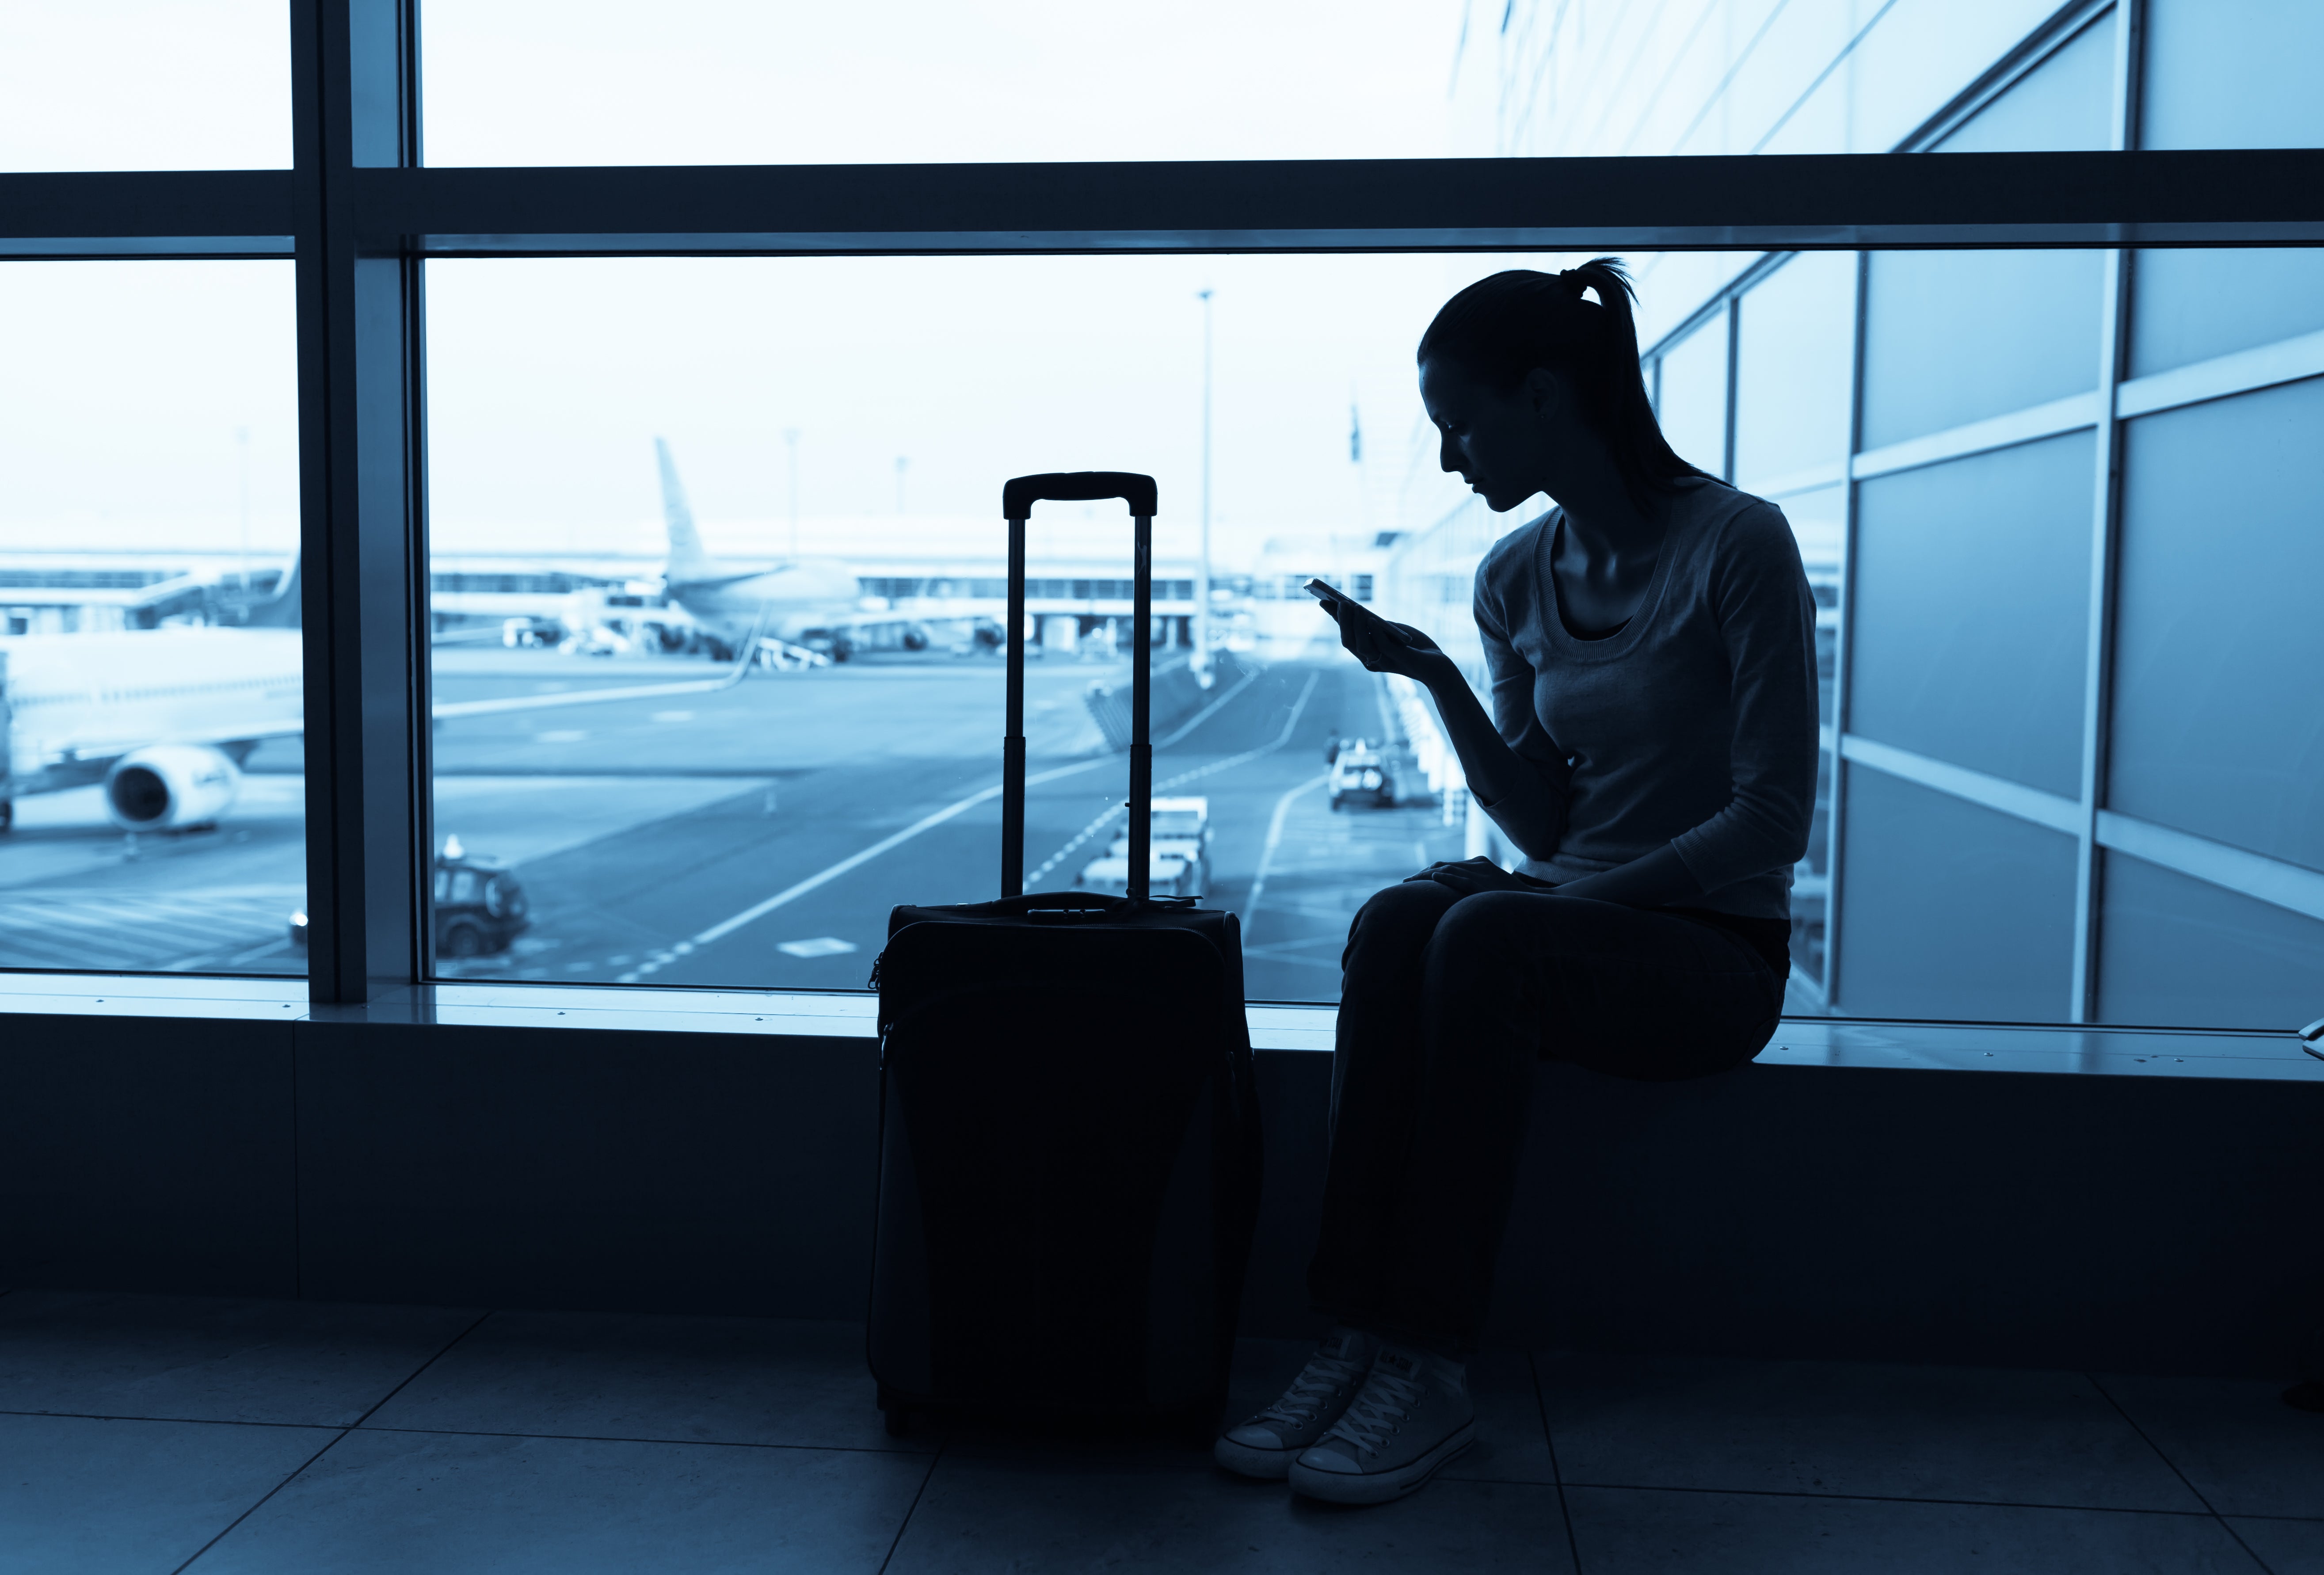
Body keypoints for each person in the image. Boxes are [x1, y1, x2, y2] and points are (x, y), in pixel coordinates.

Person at [1214, 259, 1817, 1505]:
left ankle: (1428, 1365)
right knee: (1397, 920)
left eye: (1460, 425)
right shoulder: (1511, 575)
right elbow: (1539, 816)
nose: (1449, 460)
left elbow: (1771, 821)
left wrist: (1564, 903)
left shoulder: (1736, 544)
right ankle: (1355, 1334)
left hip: (1711, 952)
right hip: (1559, 923)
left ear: (1543, 396)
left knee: (1485, 934)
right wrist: (1435, 677)